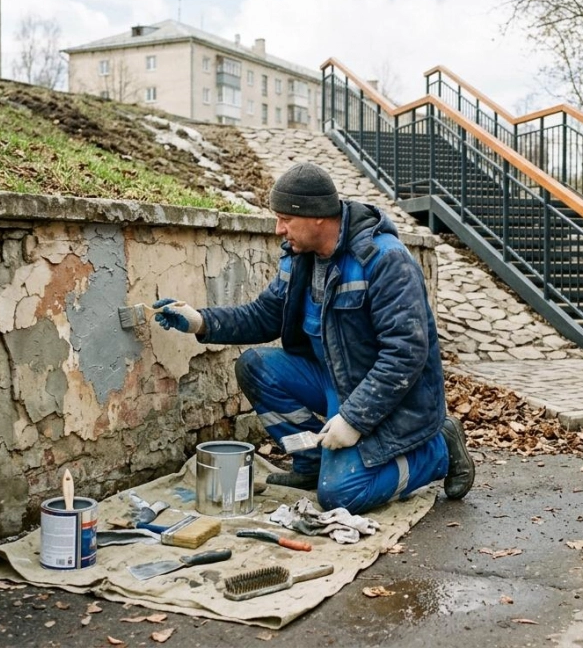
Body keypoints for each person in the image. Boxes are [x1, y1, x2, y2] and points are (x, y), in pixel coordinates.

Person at [152, 162, 475, 515]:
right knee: (256, 366)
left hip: (393, 398)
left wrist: (354, 419)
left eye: (285, 219)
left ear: (317, 216)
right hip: (333, 379)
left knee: (342, 496)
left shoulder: (385, 260)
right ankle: (311, 464)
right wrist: (200, 321)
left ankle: (439, 449)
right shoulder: (300, 258)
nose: (278, 230)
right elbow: (264, 315)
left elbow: (405, 355)